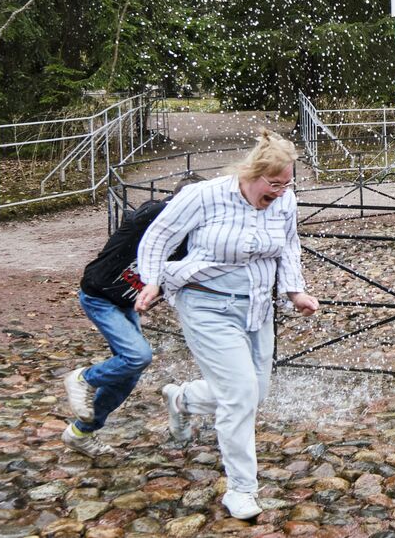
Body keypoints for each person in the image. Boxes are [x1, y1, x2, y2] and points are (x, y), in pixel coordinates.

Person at [135, 129, 319, 522]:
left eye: (288, 184)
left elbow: (288, 246)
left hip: (257, 307)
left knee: (256, 393)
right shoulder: (204, 195)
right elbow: (158, 237)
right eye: (274, 184)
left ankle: (182, 399)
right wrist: (151, 280)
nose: (281, 193)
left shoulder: (285, 203)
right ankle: (242, 489)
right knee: (239, 396)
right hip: (206, 304)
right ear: (253, 174)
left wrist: (295, 292)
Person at [61, 175, 203, 458]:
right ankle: (84, 379)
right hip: (99, 296)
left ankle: (81, 433)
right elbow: (154, 211)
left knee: (128, 374)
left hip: (125, 304)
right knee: (138, 356)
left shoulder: (189, 238)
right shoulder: (154, 214)